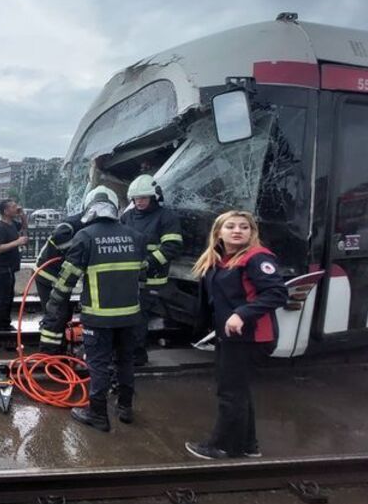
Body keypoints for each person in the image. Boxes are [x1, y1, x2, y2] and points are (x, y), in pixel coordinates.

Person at [38, 186, 146, 432]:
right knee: (125, 361)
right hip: (131, 315)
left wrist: (54, 310)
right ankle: (125, 408)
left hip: (98, 318)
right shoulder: (136, 236)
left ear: (89, 208)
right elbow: (142, 276)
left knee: (98, 364)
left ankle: (97, 414)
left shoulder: (85, 237)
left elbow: (67, 281)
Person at [185, 210, 287, 460]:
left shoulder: (257, 258)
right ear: (219, 232)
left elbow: (277, 293)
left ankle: (223, 446)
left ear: (252, 233)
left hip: (250, 337)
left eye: (244, 227)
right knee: (238, 390)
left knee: (230, 392)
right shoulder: (219, 259)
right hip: (230, 336)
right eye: (231, 226)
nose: (237, 231)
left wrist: (242, 314)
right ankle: (248, 445)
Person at [121, 174, 183, 365]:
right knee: (127, 315)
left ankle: (137, 355)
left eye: (143, 198)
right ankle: (127, 352)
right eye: (136, 198)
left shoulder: (166, 217)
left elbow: (172, 246)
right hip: (129, 277)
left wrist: (148, 263)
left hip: (152, 278)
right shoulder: (127, 216)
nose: (139, 202)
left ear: (154, 197)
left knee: (139, 317)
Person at [33, 209, 86, 352]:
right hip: (48, 276)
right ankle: (50, 353)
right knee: (56, 313)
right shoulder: (71, 225)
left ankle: (61, 346)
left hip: (61, 277)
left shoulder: (85, 223)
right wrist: (75, 250)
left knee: (64, 312)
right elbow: (59, 238)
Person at [0, 199, 29, 331]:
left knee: (9, 298)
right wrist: (17, 242)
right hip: (1, 269)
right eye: (13, 207)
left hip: (9, 269)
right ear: (6, 211)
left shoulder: (11, 223)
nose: (16, 207)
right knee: (2, 299)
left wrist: (22, 214)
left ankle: (5, 323)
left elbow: (24, 226)